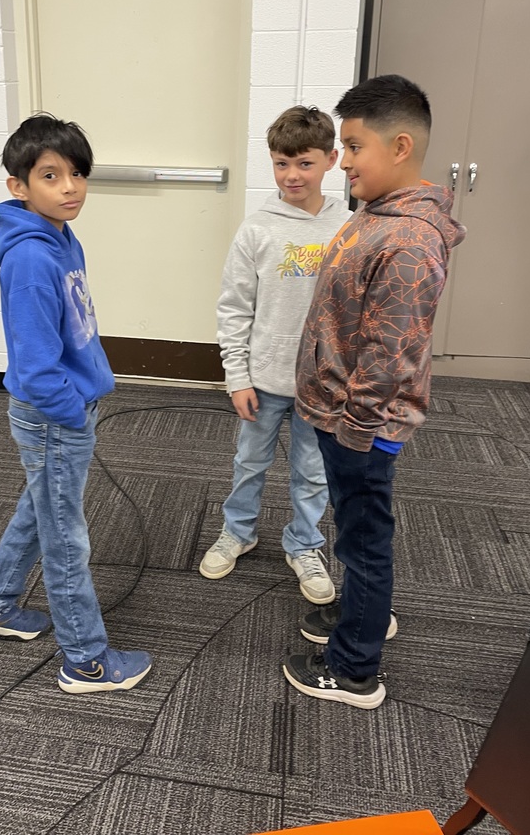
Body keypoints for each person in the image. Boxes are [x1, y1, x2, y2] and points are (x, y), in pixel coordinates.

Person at [282, 75, 466, 709]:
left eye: (355, 147)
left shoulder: (409, 241)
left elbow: (390, 357)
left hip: (358, 425)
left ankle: (356, 668)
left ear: (401, 146)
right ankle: (365, 615)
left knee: (363, 537)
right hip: (340, 417)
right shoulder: (378, 216)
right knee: (355, 531)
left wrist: (353, 429)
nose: (346, 161)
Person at [0, 113, 152, 695]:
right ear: (18, 185)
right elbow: (39, 368)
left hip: (62, 414)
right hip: (53, 417)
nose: (70, 188)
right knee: (66, 538)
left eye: (77, 174)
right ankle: (86, 659)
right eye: (50, 175)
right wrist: (74, 415)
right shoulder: (31, 259)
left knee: (37, 511)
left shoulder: (59, 235)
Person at [199, 106, 351, 602]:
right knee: (249, 462)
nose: (292, 175)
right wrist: (237, 376)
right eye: (281, 163)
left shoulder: (349, 228)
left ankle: (304, 544)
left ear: (331, 159)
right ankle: (238, 531)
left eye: (304, 163)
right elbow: (234, 308)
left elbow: (356, 312)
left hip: (322, 382)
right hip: (263, 379)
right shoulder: (256, 230)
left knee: (313, 472)